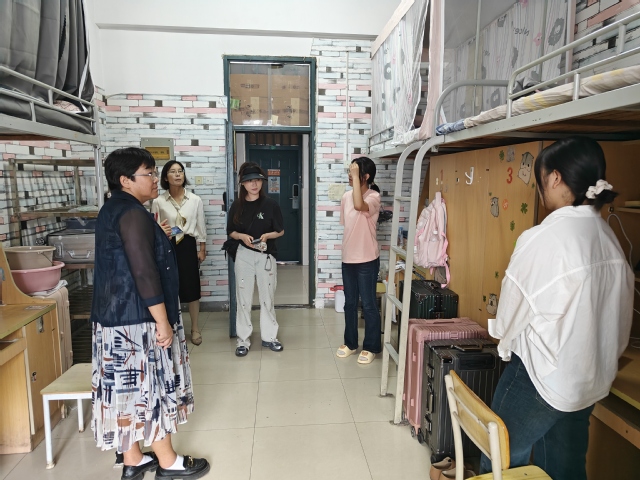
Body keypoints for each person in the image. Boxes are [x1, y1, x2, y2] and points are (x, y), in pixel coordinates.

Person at [482, 137, 633, 480]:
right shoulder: (611, 241)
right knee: (566, 468)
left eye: (540, 180)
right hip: (588, 379)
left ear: (554, 178)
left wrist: (503, 342)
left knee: (501, 459)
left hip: (541, 378)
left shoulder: (544, 239)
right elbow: (620, 322)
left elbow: (509, 317)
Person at [91, 147, 209, 480]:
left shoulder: (113, 209)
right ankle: (168, 462)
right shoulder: (132, 214)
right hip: (137, 322)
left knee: (125, 390)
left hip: (114, 320)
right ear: (126, 180)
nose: (156, 179)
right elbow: (143, 272)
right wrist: (162, 322)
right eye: (149, 173)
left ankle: (134, 459)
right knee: (150, 388)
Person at [227, 162, 285, 357]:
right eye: (249, 181)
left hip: (265, 255)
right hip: (244, 255)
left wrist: (267, 236)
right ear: (243, 184)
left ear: (262, 182)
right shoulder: (237, 206)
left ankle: (270, 337)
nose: (254, 184)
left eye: (258, 180)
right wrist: (241, 236)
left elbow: (280, 231)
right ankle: (243, 339)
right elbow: (231, 231)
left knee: (267, 297)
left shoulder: (271, 205)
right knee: (243, 298)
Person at [151, 160, 207, 346]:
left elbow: (200, 225)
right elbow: (154, 227)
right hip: (167, 244)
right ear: (165, 177)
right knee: (168, 285)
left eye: (180, 171)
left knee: (192, 287)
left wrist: (202, 248)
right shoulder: (158, 201)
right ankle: (170, 325)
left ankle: (195, 328)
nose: (177, 175)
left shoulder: (195, 200)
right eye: (173, 172)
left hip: (188, 245)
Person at [336, 157, 382, 365]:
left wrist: (356, 177)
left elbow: (359, 204)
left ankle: (371, 346)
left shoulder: (373, 197)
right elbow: (348, 225)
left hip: (367, 260)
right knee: (350, 303)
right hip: (348, 259)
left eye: (354, 172)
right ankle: (351, 343)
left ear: (366, 176)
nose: (350, 174)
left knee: (369, 304)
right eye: (350, 171)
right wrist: (355, 176)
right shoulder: (346, 197)